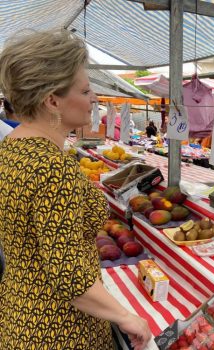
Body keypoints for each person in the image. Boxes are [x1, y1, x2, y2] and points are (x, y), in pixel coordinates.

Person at [0, 29, 151, 349]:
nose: (93, 98)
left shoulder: (11, 147)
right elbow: (70, 278)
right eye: (84, 90)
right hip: (61, 331)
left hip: (21, 315)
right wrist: (126, 316)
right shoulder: (53, 168)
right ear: (52, 100)